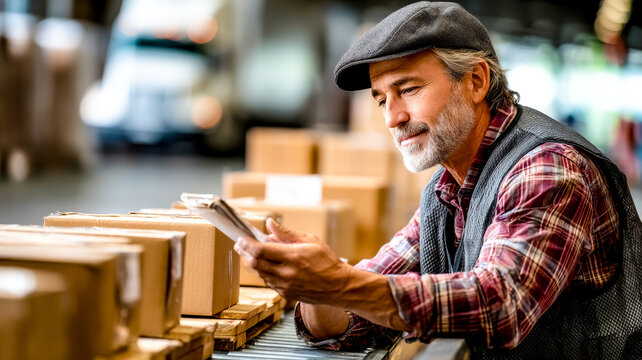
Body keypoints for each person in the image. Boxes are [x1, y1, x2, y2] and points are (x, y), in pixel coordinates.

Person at [234, 2, 642, 359]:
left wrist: (341, 283)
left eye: (408, 89)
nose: (392, 117)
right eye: (381, 99)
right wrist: (317, 288)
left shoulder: (548, 168)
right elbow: (365, 307)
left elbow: (500, 305)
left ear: (477, 81)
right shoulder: (447, 189)